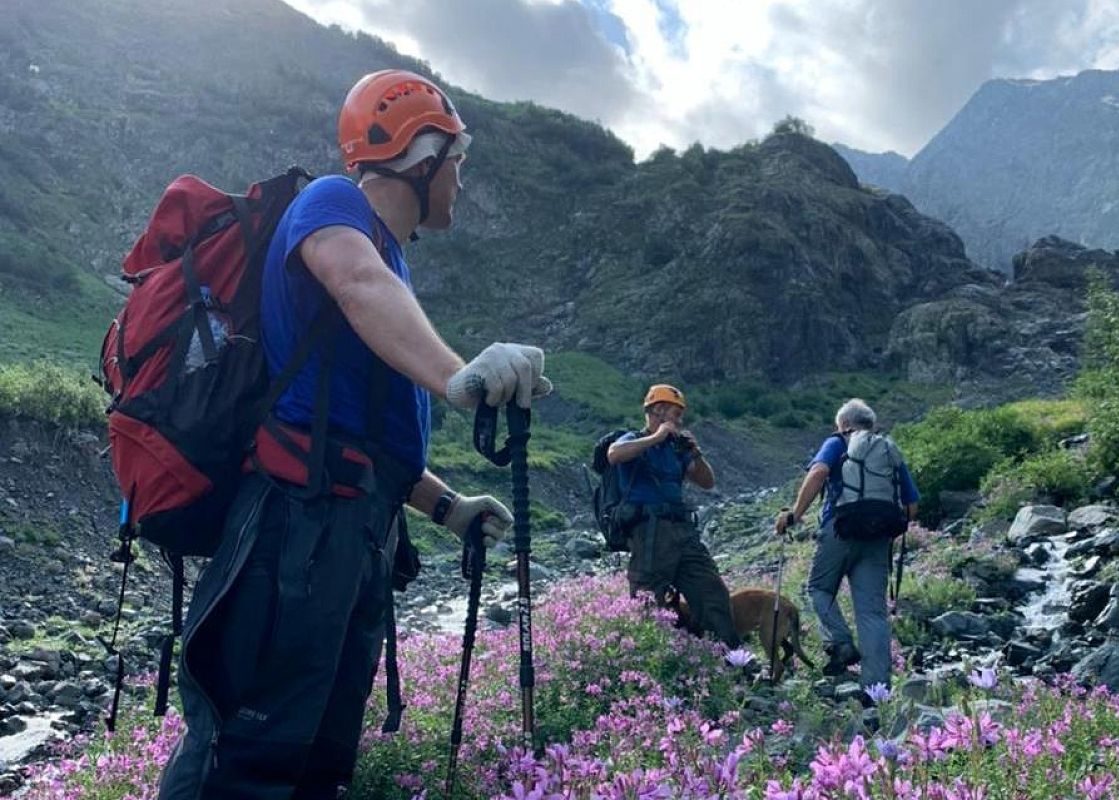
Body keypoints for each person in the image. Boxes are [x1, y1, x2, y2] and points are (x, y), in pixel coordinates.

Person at [157, 69, 551, 799]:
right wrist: (460, 377)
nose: (460, 180)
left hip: (340, 537)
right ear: (418, 152)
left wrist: (446, 507)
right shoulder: (335, 205)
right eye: (456, 160)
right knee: (249, 755)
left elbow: (361, 438)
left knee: (316, 762)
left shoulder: (390, 266)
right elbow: (354, 283)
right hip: (294, 533)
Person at [774, 398, 918, 693]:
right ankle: (876, 690)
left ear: (845, 424)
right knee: (872, 613)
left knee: (818, 588)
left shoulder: (839, 441)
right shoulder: (888, 449)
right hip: (878, 539)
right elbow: (912, 505)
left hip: (840, 529)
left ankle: (840, 642)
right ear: (871, 425)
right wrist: (881, 526)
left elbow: (818, 474)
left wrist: (794, 515)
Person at [606, 384, 739, 648]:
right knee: (647, 599)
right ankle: (645, 662)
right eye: (675, 414)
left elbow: (707, 482)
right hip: (649, 531)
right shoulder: (633, 438)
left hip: (683, 530)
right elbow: (614, 454)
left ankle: (731, 657)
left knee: (711, 591)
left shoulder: (676, 449)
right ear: (657, 411)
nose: (679, 420)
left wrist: (695, 453)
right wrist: (656, 437)